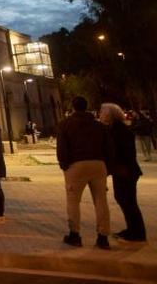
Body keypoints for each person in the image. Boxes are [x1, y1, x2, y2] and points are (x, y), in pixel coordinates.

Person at [57, 96, 111, 249]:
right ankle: (103, 237)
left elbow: (62, 148)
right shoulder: (99, 126)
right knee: (101, 201)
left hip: (76, 165)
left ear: (73, 107)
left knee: (73, 201)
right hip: (98, 164)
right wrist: (107, 167)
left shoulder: (65, 124)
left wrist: (64, 165)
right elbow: (108, 147)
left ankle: (75, 235)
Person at [100, 103, 146, 242]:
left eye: (102, 112)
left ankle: (137, 233)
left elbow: (121, 152)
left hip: (125, 171)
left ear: (109, 115)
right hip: (122, 170)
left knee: (128, 201)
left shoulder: (118, 130)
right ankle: (133, 229)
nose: (100, 115)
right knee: (125, 200)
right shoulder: (117, 129)